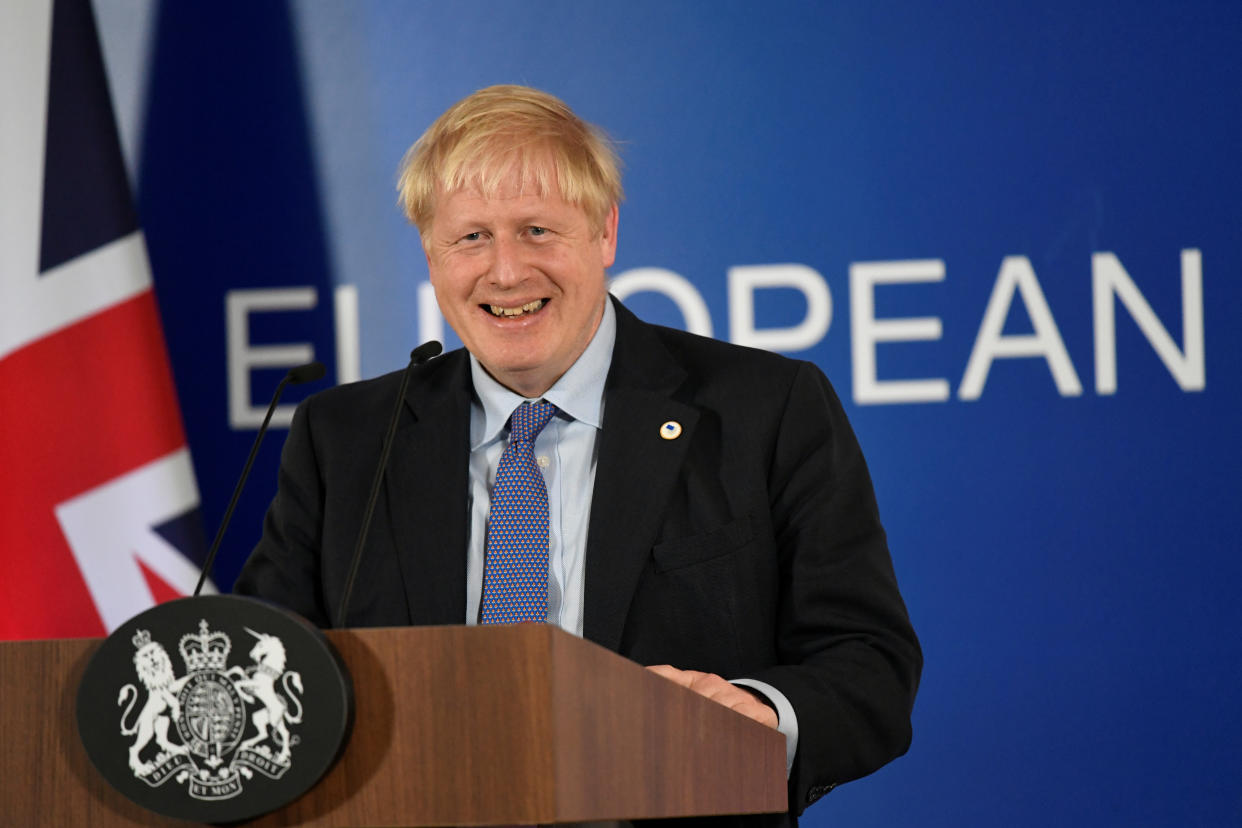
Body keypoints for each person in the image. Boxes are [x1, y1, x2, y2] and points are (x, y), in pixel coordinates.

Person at [234, 84, 921, 822]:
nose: (504, 272)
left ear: (605, 234)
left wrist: (756, 712)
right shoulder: (347, 439)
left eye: (536, 230)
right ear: (432, 256)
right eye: (471, 238)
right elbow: (262, 668)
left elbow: (868, 664)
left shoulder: (763, 410)